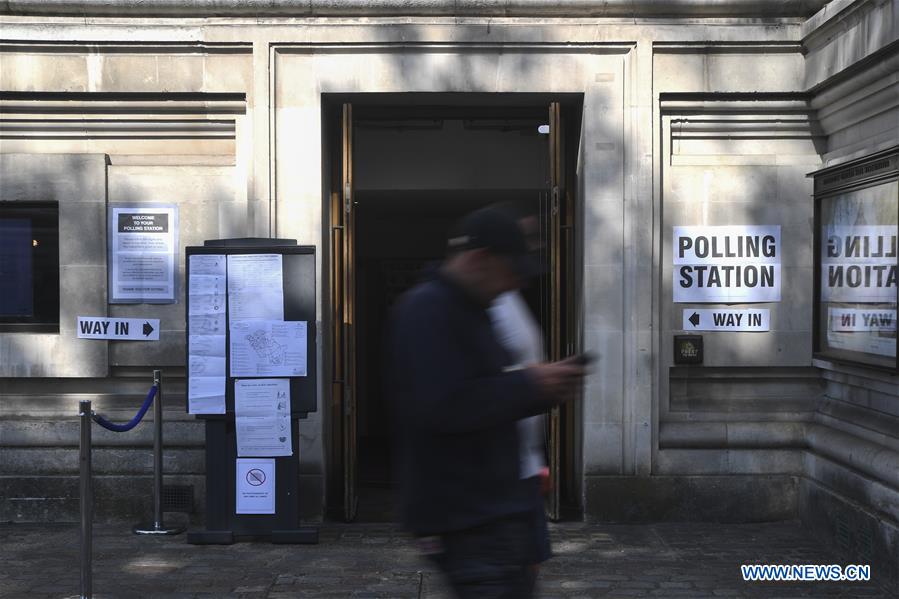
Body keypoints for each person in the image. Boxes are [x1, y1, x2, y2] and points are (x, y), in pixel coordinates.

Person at [387, 205, 585, 598]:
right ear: (480, 260)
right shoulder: (427, 311)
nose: (512, 287)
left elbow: (484, 393)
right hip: (467, 518)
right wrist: (532, 385)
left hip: (494, 508)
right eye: (509, 274)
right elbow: (443, 405)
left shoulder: (469, 310)